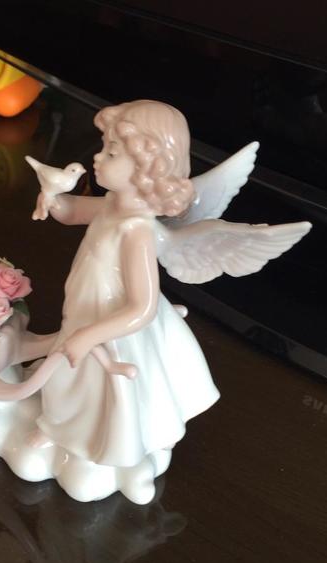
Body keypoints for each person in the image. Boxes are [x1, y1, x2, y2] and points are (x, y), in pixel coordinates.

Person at [32, 100, 220, 469]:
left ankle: (89, 441)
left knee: (91, 386)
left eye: (112, 152)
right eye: (104, 147)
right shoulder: (110, 205)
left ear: (146, 168)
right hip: (84, 307)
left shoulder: (137, 230)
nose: (98, 157)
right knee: (68, 379)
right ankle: (56, 426)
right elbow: (72, 212)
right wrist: (52, 200)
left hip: (108, 324)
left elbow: (142, 307)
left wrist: (90, 336)